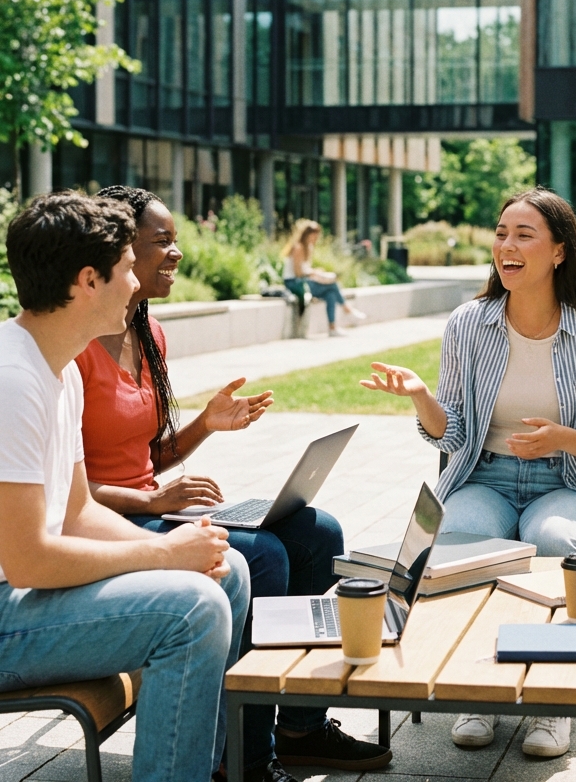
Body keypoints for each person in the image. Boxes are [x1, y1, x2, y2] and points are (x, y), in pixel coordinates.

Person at [76, 187, 390, 782]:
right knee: (262, 555)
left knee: (318, 533)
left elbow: (144, 455)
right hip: (113, 522)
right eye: (160, 242)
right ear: (119, 250)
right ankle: (244, 758)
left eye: (176, 240)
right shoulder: (76, 348)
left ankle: (299, 725)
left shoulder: (147, 332)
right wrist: (152, 500)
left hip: (151, 508)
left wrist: (205, 425)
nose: (175, 253)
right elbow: (67, 487)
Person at [361, 187, 576, 759]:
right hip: (483, 477)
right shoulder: (469, 324)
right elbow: (451, 434)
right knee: (459, 539)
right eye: (502, 233)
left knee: (552, 542)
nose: (507, 245)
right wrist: (420, 398)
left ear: (560, 251)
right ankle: (478, 690)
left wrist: (562, 439)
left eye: (524, 235)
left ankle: (550, 701)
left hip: (567, 483)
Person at [0, 191, 250, 782]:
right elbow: (29, 558)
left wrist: (189, 549)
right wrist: (163, 553)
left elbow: (80, 511)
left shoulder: (59, 369)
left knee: (227, 569)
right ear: (89, 280)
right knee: (191, 607)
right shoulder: (13, 381)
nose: (136, 285)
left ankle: (201, 769)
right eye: (125, 271)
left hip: (18, 598)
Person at [281, 219, 364, 336]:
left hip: (304, 282)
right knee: (333, 285)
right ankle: (347, 309)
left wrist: (317, 274)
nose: (315, 238)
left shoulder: (308, 248)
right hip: (294, 283)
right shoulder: (298, 247)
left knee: (330, 294)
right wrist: (314, 274)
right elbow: (298, 273)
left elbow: (306, 271)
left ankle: (332, 328)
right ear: (307, 234)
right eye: (313, 235)